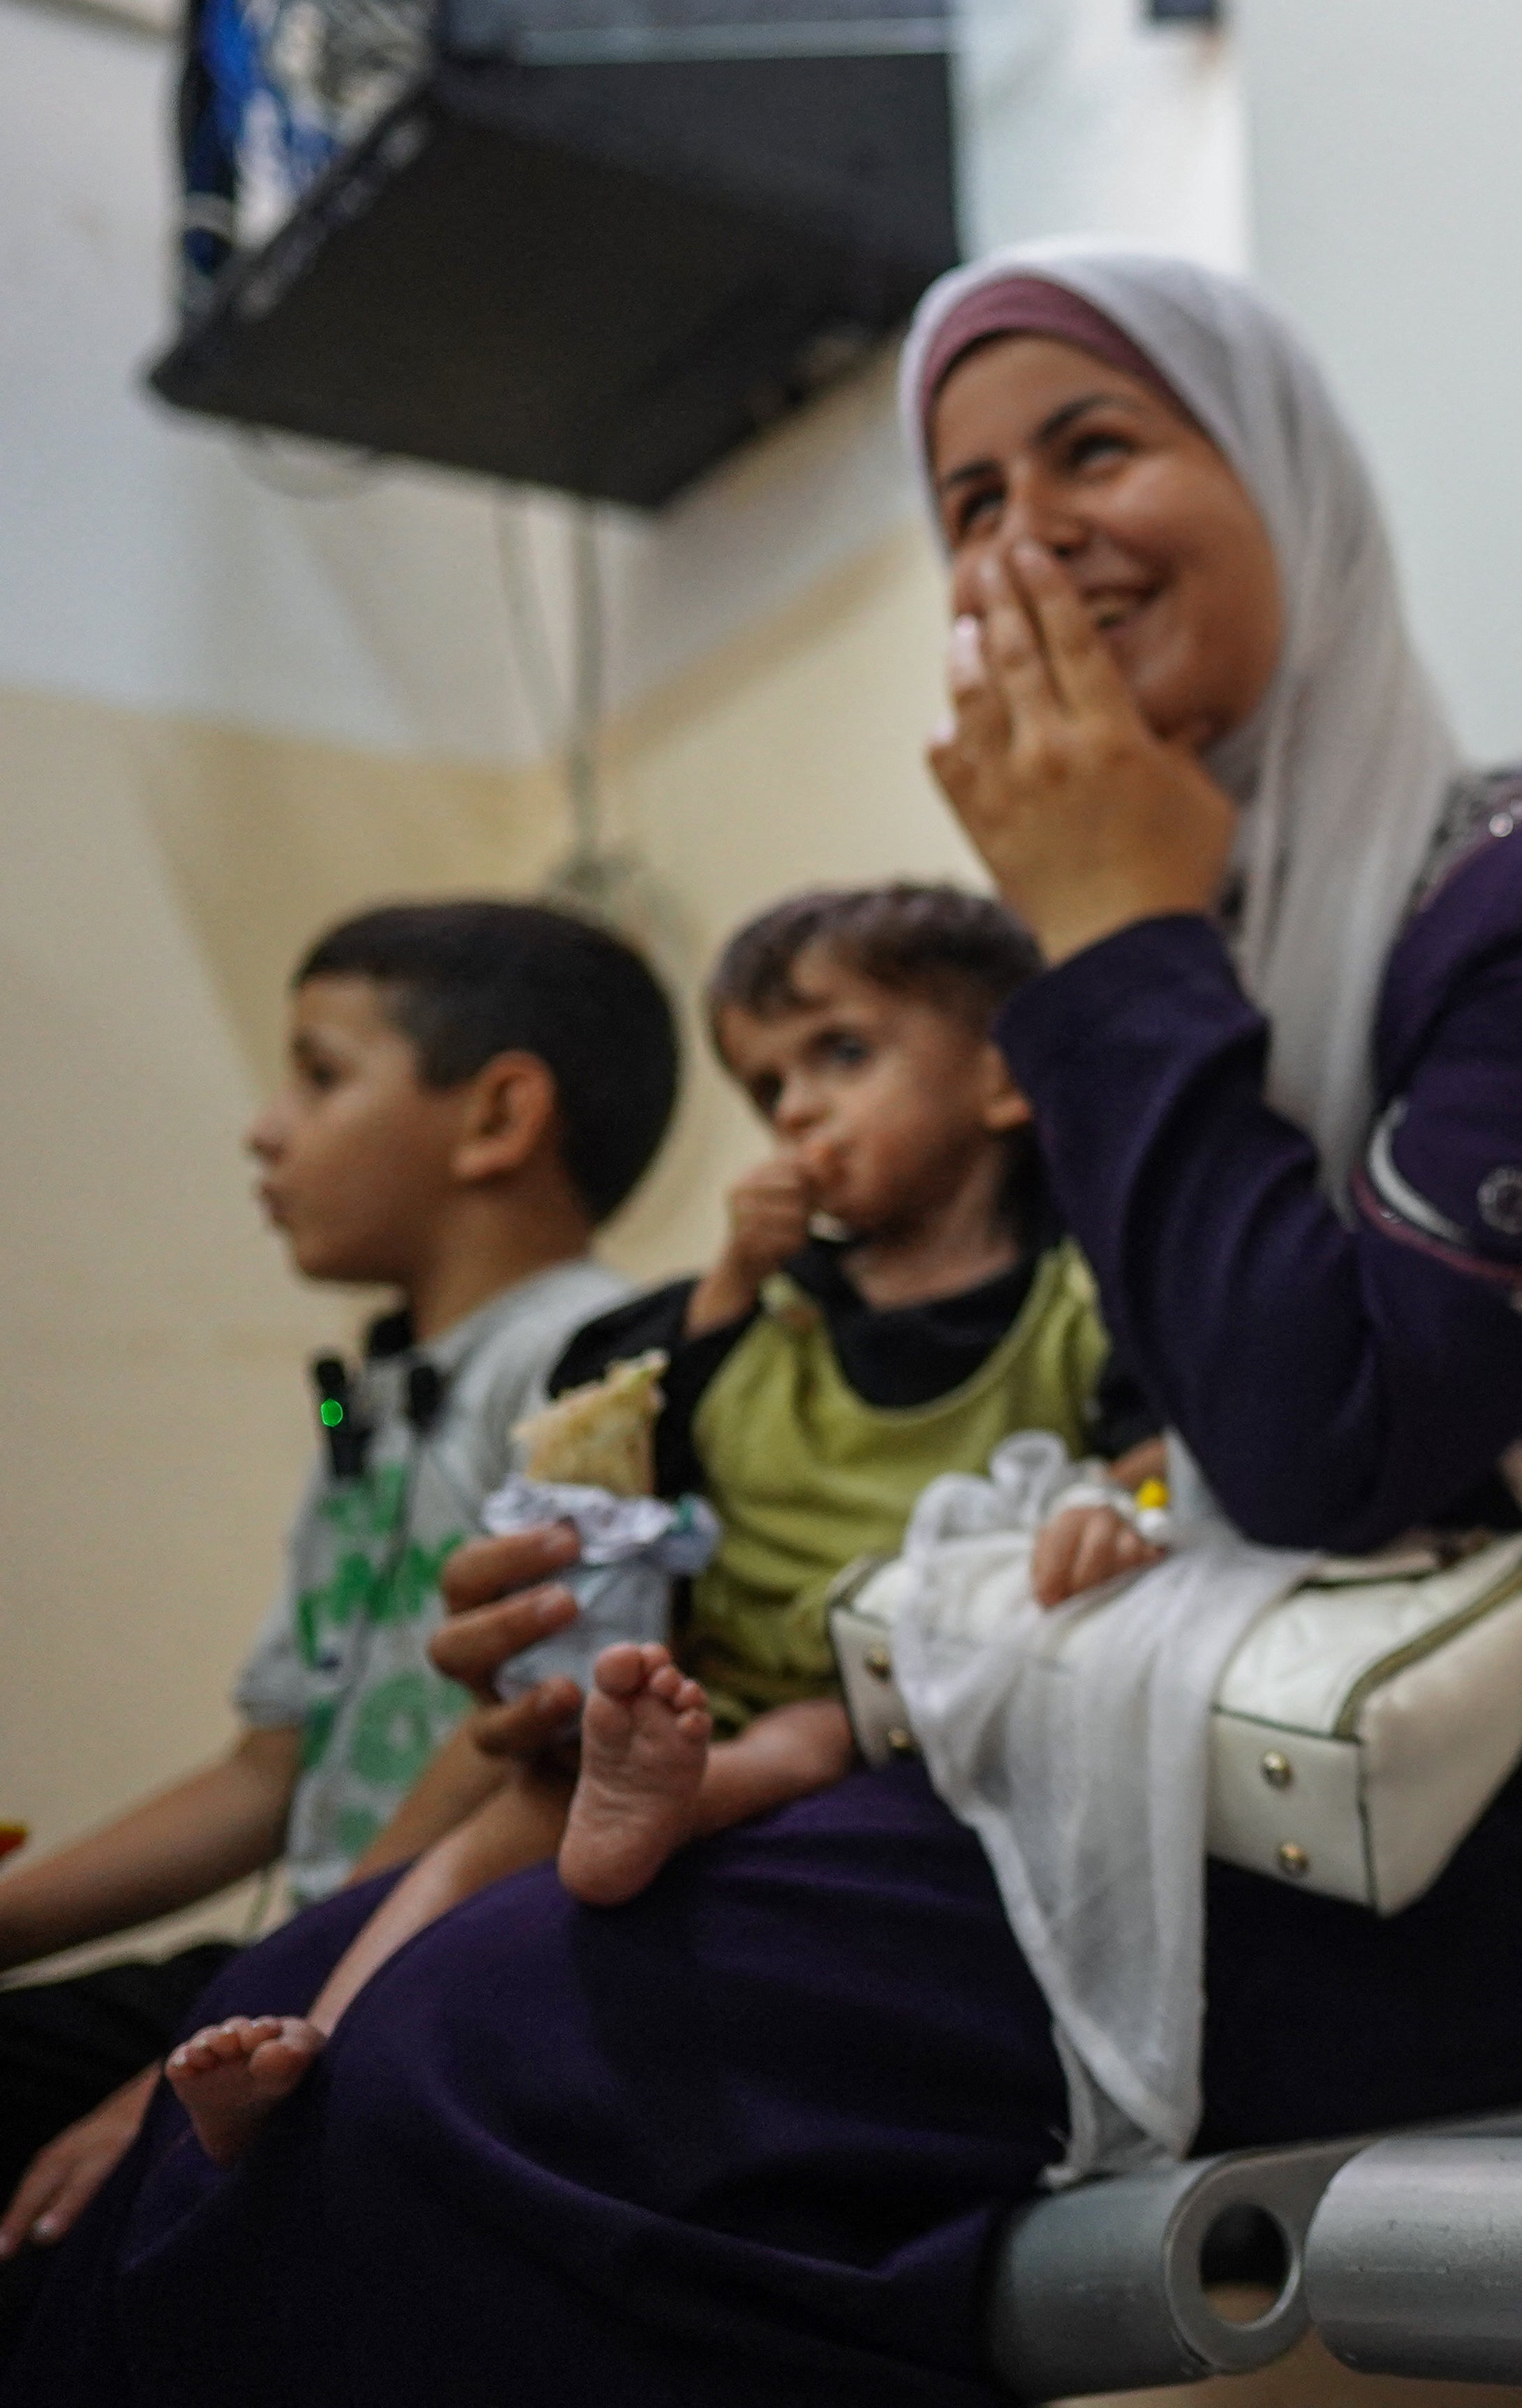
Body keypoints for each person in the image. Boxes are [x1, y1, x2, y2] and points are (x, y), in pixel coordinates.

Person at [3, 246, 1522, 2408]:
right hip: (1131, 1755)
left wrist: (1112, 923)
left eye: (1095, 447)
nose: (1022, 535)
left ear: (1288, 486)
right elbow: (1032, 1478)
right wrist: (609, 1644)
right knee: (260, 2039)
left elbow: (1331, 1439)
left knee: (494, 2055)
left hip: (1495, 1852)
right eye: (963, 502)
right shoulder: (1115, 991)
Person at [156, 883, 1167, 2163]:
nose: (796, 1107)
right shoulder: (783, 1303)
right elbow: (658, 1439)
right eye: (767, 1086)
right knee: (517, 1808)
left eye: (840, 1054)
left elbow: (1153, 1451)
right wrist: (734, 1285)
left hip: (897, 1684)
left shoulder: (1081, 1291)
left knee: (806, 1741)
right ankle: (318, 2028)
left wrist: (1118, 1513)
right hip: (701, 1671)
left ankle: (655, 1811)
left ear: (1007, 1078)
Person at [0, 903, 666, 2351]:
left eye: (316, 1072)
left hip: (414, 1957)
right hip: (307, 1940)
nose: (264, 1127)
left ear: (498, 1112)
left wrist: (256, 2007)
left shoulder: (595, 1367)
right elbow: (266, 1772)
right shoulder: (385, 1395)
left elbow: (531, 1758)